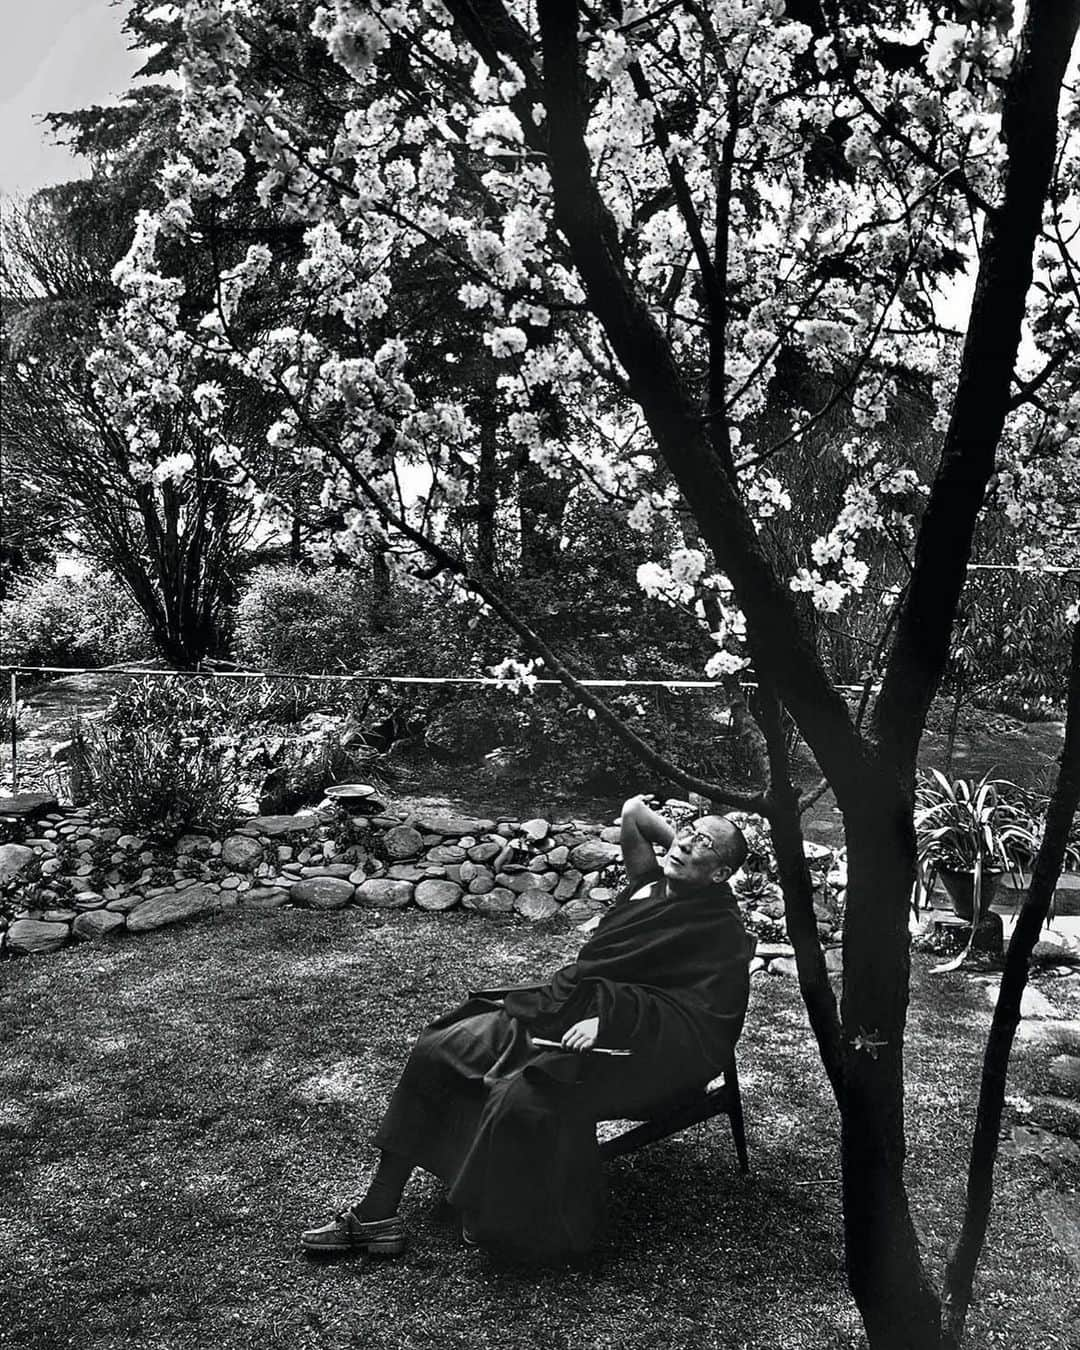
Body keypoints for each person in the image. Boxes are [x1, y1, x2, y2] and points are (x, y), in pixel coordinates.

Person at [301, 793, 753, 1264]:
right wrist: (687, 842)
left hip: (624, 1046)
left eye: (703, 845)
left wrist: (613, 1019)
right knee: (440, 1048)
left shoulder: (718, 929)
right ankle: (378, 1213)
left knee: (518, 1095)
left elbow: (702, 1024)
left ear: (721, 874)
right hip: (560, 1006)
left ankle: (492, 1210)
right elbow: (633, 813)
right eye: (688, 832)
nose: (684, 843)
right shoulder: (649, 883)